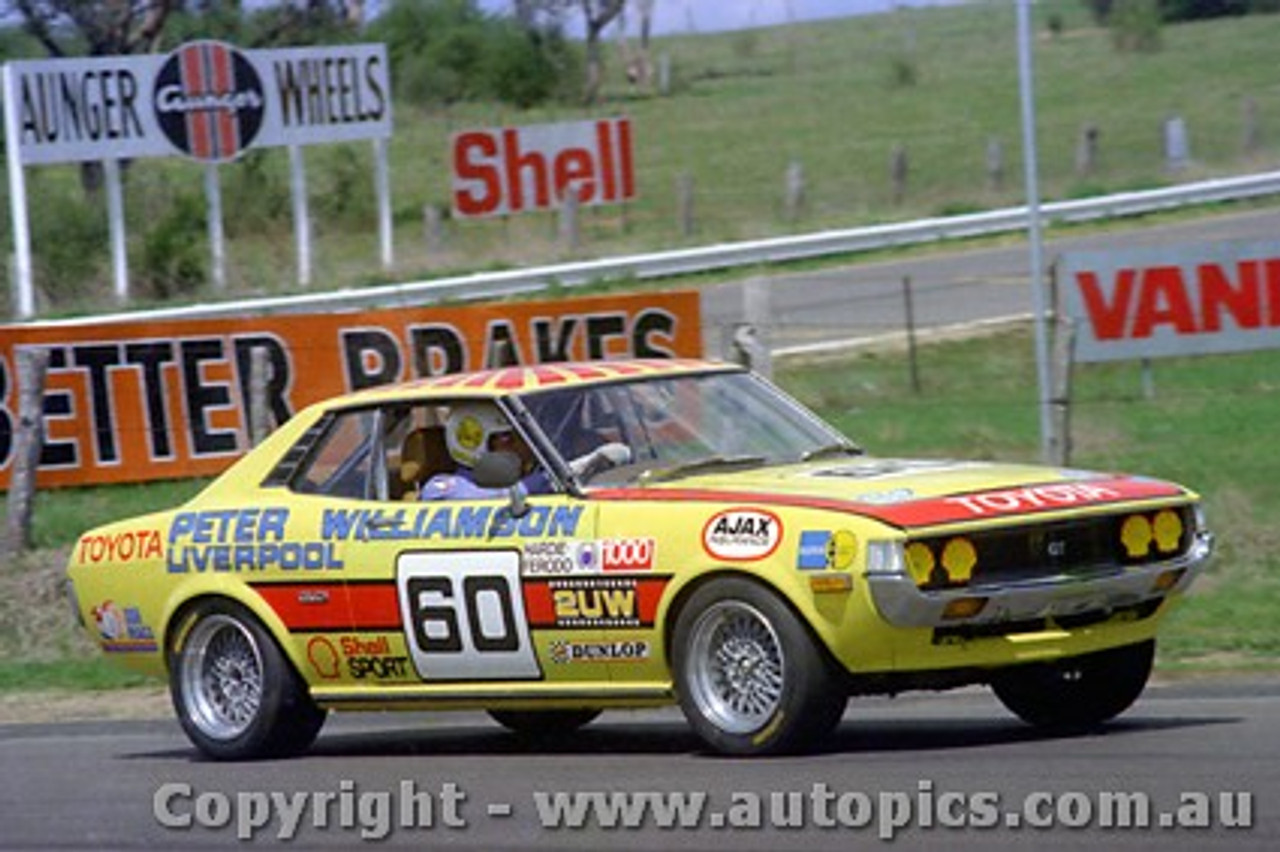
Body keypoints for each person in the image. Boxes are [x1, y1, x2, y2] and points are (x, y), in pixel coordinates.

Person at [420, 403, 552, 500]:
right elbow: (481, 499)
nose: (525, 445)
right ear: (476, 443)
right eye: (508, 437)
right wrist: (543, 481)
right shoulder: (442, 488)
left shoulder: (527, 476)